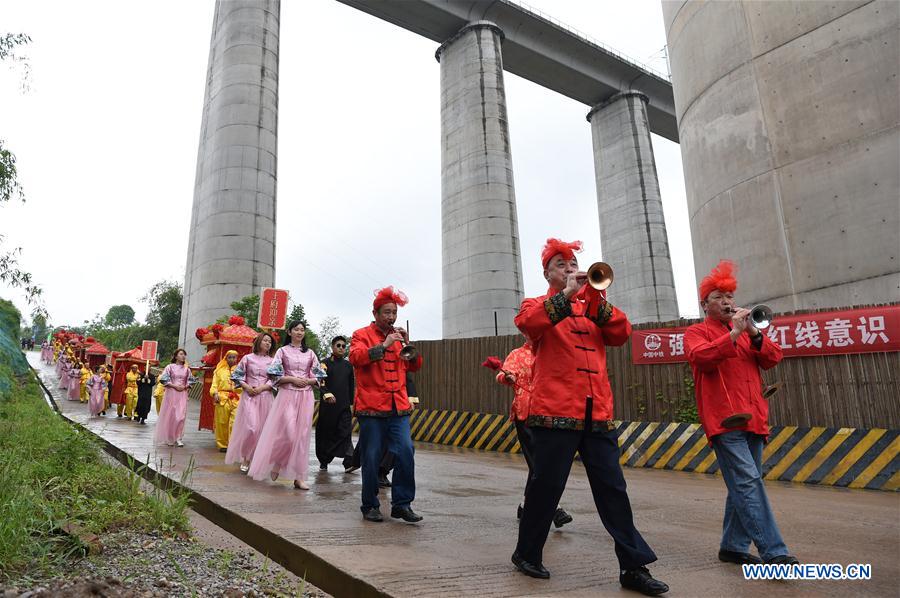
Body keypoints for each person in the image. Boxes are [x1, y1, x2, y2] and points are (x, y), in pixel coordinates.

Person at [512, 238, 667, 596]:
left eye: (573, 264)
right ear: (547, 273)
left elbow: (621, 334)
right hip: (554, 412)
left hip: (597, 411)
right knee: (546, 487)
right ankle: (526, 552)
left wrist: (594, 297)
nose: (571, 270)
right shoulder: (538, 303)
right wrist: (566, 295)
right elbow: (529, 325)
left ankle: (633, 566)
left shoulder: (595, 306)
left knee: (614, 490)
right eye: (562, 265)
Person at [684, 260, 798, 567]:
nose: (727, 302)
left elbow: (773, 358)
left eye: (729, 296)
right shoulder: (696, 332)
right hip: (724, 422)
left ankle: (733, 546)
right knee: (748, 483)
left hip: (754, 419)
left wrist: (755, 334)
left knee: (745, 483)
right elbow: (701, 358)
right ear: (704, 304)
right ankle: (774, 552)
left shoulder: (748, 333)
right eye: (718, 297)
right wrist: (733, 333)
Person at [349, 286, 423, 523]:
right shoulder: (361, 334)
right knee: (371, 456)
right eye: (386, 312)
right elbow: (356, 358)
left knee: (406, 451)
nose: (391, 317)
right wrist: (384, 345)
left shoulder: (399, 338)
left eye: (394, 312)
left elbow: (414, 366)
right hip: (371, 407)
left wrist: (408, 344)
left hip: (398, 406)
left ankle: (402, 503)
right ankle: (370, 504)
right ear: (376, 313)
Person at [495, 341, 572, 528]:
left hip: (549, 413)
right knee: (539, 463)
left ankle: (525, 505)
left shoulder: (552, 351)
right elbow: (501, 375)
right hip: (526, 414)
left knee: (541, 464)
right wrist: (509, 378)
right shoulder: (517, 354)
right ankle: (555, 509)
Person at [248, 321, 320, 490]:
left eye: (302, 330)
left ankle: (298, 477)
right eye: (296, 329)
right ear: (289, 331)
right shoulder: (282, 351)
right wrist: (292, 379)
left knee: (301, 437)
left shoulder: (310, 353)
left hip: (306, 395)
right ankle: (277, 462)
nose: (299, 332)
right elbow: (273, 373)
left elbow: (318, 375)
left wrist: (308, 381)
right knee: (288, 433)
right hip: (287, 394)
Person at [227, 332, 276, 473]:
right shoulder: (247, 358)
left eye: (270, 342)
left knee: (262, 430)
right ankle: (246, 457)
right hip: (249, 396)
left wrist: (261, 388)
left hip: (265, 396)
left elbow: (275, 379)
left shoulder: (273, 361)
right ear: (259, 342)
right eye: (265, 340)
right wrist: (247, 387)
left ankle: (257, 458)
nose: (268, 343)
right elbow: (237, 376)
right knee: (251, 428)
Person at [316, 336, 356, 472]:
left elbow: (351, 386)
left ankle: (349, 461)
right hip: (328, 407)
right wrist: (326, 394)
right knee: (326, 434)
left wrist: (352, 404)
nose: (341, 348)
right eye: (338, 345)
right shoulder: (324, 363)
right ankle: (324, 460)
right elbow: (320, 382)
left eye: (344, 346)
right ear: (332, 347)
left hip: (344, 407)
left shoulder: (348, 366)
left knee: (345, 433)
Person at [154, 349, 196, 447]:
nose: (183, 356)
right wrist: (174, 386)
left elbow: (191, 381)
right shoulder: (170, 367)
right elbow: (163, 378)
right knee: (171, 415)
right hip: (171, 392)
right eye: (181, 354)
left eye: (184, 355)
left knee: (180, 416)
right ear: (176, 356)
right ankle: (170, 437)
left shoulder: (187, 369)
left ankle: (178, 437)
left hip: (182, 393)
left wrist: (185, 387)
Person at [211, 350, 243, 452]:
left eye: (234, 357)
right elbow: (214, 384)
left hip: (237, 398)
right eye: (230, 357)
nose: (232, 359)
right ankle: (223, 444)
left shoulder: (240, 370)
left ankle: (233, 444)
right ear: (226, 358)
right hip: (222, 398)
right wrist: (215, 393)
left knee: (235, 422)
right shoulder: (219, 371)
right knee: (222, 422)